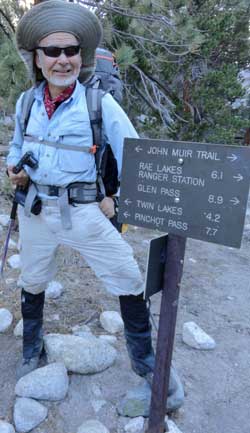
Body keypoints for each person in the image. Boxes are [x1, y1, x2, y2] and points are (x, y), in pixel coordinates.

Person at [7, 0, 184, 411]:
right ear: (37, 57)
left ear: (80, 57)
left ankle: (150, 372)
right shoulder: (26, 103)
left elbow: (136, 158)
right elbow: (17, 148)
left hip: (84, 211)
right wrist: (14, 168)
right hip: (35, 210)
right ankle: (33, 349)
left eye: (71, 51)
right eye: (53, 51)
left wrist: (117, 200)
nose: (63, 60)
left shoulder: (99, 104)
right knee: (32, 279)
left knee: (126, 275)